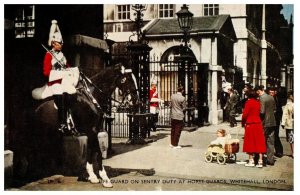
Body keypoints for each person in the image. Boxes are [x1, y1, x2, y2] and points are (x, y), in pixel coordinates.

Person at [43, 20, 73, 133]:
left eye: (61, 43)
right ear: (53, 43)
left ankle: (71, 119)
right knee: (60, 94)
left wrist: (71, 71)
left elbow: (67, 66)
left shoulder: (62, 56)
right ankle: (61, 123)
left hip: (64, 81)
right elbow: (46, 72)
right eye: (59, 43)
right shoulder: (48, 55)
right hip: (54, 82)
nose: (61, 45)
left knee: (73, 92)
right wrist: (60, 73)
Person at [242, 89, 266, 168]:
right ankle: (260, 161)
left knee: (250, 141)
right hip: (258, 123)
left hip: (250, 123)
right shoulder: (258, 102)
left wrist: (243, 123)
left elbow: (245, 114)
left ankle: (251, 160)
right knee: (259, 141)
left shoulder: (248, 102)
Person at [255, 85, 277, 166]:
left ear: (258, 91)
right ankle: (270, 160)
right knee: (271, 141)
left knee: (262, 140)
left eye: (257, 92)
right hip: (272, 122)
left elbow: (262, 112)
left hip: (265, 123)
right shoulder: (271, 97)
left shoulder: (262, 98)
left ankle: (259, 158)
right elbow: (275, 109)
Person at [268, 87, 283, 158]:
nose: (271, 94)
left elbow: (280, 111)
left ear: (275, 93)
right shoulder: (269, 99)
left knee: (275, 135)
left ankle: (279, 151)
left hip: (275, 121)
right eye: (270, 93)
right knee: (270, 136)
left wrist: (278, 119)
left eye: (272, 93)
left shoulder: (277, 100)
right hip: (270, 120)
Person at [281, 92, 294, 158]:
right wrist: (283, 123)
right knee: (291, 138)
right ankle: (293, 152)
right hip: (290, 124)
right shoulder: (288, 104)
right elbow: (285, 114)